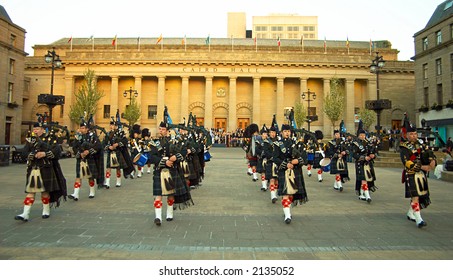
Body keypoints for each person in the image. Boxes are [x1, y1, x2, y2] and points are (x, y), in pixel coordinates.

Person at [15, 122, 67, 221]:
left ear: (43, 130)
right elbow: (24, 153)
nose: (35, 131)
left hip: (45, 168)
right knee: (31, 192)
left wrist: (45, 153)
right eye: (34, 129)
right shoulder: (31, 140)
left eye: (37, 129)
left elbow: (57, 152)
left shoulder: (51, 139)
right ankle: (25, 214)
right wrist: (33, 154)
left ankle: (46, 210)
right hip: (33, 168)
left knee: (45, 191)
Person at [149, 121, 193, 226]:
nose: (161, 131)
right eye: (160, 129)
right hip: (159, 170)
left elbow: (183, 152)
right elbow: (152, 156)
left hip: (172, 170)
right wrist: (165, 162)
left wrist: (174, 158)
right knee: (158, 195)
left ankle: (169, 213)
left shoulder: (175, 141)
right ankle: (158, 217)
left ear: (168, 131)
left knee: (170, 194)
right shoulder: (154, 142)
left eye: (163, 129)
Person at [399, 124, 436, 228]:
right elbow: (407, 163)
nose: (414, 136)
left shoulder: (421, 145)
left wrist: (432, 160)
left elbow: (429, 154)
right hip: (411, 174)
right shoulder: (404, 147)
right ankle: (419, 219)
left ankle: (411, 213)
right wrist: (423, 167)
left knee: (420, 195)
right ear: (406, 135)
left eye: (415, 134)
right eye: (411, 134)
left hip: (421, 175)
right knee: (415, 196)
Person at [273, 124, 308, 224]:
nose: (287, 133)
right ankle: (287, 215)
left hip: (295, 171)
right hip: (283, 171)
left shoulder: (296, 143)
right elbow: (275, 158)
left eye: (288, 131)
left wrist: (298, 160)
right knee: (285, 193)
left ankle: (287, 210)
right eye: (285, 131)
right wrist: (285, 164)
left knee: (292, 193)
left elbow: (303, 156)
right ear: (281, 132)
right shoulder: (277, 144)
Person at [68, 119, 103, 201]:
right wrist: (79, 154)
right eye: (81, 128)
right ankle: (75, 194)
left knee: (90, 176)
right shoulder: (78, 136)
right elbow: (74, 147)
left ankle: (92, 191)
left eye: (83, 128)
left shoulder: (92, 136)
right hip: (80, 159)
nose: (82, 129)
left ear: (87, 129)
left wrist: (88, 151)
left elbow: (98, 146)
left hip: (89, 159)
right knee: (78, 176)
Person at [103, 119, 134, 188]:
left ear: (116, 126)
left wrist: (117, 144)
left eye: (113, 125)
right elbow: (104, 143)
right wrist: (109, 147)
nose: (111, 126)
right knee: (108, 167)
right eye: (111, 125)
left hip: (118, 152)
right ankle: (107, 183)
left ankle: (118, 181)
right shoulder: (107, 134)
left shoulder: (121, 133)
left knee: (118, 168)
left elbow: (125, 141)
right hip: (110, 152)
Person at [352, 128, 377, 203]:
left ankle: (362, 193)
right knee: (364, 179)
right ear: (358, 136)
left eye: (364, 135)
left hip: (368, 163)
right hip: (360, 163)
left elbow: (373, 152)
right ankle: (367, 196)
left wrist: (373, 156)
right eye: (361, 135)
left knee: (367, 179)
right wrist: (363, 157)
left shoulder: (369, 143)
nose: (362, 136)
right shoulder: (355, 144)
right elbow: (354, 154)